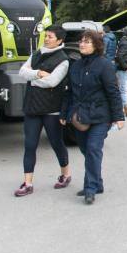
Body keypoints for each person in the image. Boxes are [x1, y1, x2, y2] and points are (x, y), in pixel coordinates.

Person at [60, 30, 124, 205]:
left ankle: (90, 188)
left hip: (100, 116)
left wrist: (119, 117)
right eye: (81, 41)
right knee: (85, 150)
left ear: (96, 45)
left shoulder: (105, 65)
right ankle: (98, 183)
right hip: (80, 116)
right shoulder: (76, 66)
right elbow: (69, 92)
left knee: (93, 148)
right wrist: (64, 114)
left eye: (87, 41)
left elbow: (113, 92)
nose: (82, 44)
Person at [14, 25, 72, 197]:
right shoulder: (37, 53)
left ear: (60, 40)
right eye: (46, 35)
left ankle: (66, 174)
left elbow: (53, 82)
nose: (46, 39)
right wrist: (38, 73)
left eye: (50, 36)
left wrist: (32, 79)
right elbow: (22, 71)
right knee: (30, 145)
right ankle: (27, 183)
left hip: (52, 109)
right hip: (32, 107)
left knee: (56, 143)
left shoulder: (63, 60)